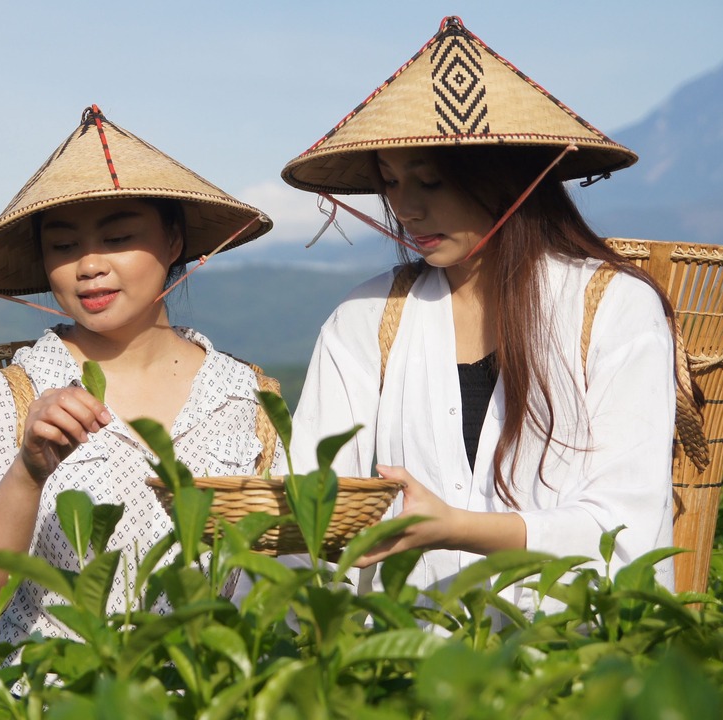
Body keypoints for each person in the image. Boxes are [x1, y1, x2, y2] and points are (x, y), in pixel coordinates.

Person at [277, 17, 694, 616]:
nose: (407, 207)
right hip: (408, 672)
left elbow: (625, 529)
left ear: (506, 181)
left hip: (575, 665)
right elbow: (313, 502)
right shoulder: (365, 319)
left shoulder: (613, 307)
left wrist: (457, 527)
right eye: (390, 181)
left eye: (432, 180)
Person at [0, 105, 280, 658]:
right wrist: (28, 471)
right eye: (63, 246)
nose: (89, 265)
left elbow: (287, 581)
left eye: (117, 238)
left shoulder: (248, 399)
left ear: (173, 241)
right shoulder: (10, 397)